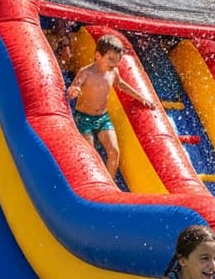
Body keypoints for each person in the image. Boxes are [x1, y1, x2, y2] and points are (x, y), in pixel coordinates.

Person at [66, 34, 158, 179]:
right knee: (91, 155)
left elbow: (120, 84)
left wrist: (140, 97)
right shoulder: (86, 72)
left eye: (117, 60)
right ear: (98, 56)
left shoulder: (113, 71)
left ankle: (109, 184)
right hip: (83, 118)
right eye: (110, 59)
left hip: (103, 118)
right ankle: (93, 183)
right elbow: (74, 87)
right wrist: (73, 91)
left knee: (114, 151)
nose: (114, 64)